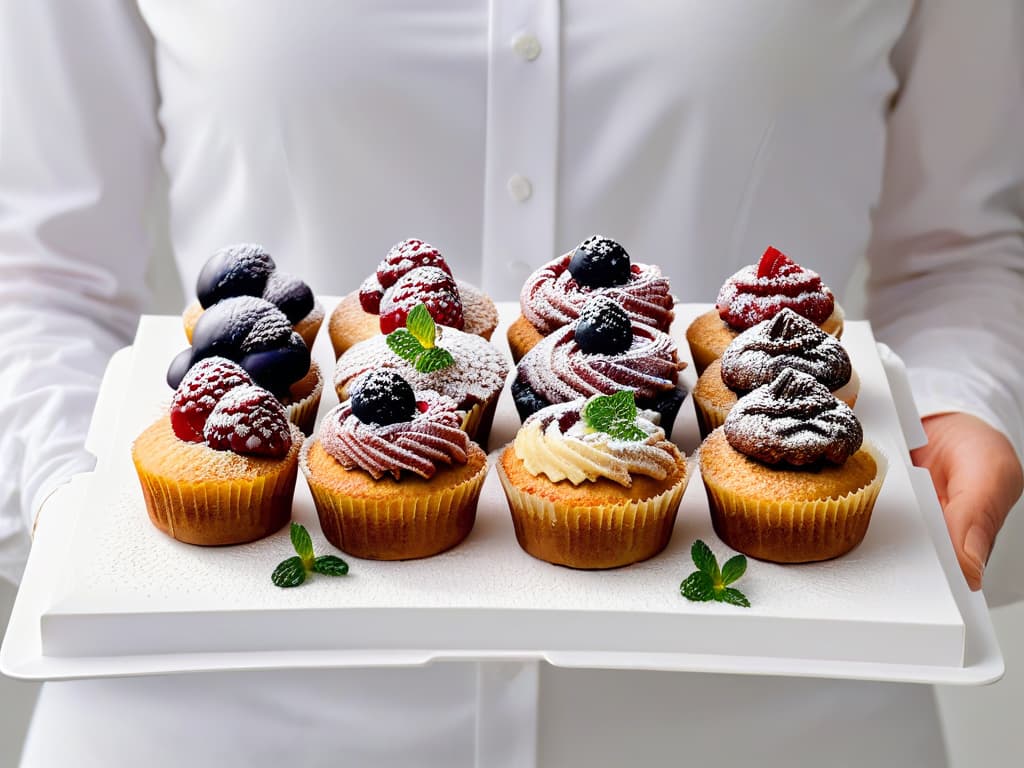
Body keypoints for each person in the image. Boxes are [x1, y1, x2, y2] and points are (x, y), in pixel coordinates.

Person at [1, 1, 1021, 766]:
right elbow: (36, 272)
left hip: (777, 715)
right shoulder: (403, 350)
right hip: (209, 718)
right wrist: (64, 492)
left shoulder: (636, 377)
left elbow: (967, 250)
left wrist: (962, 402)